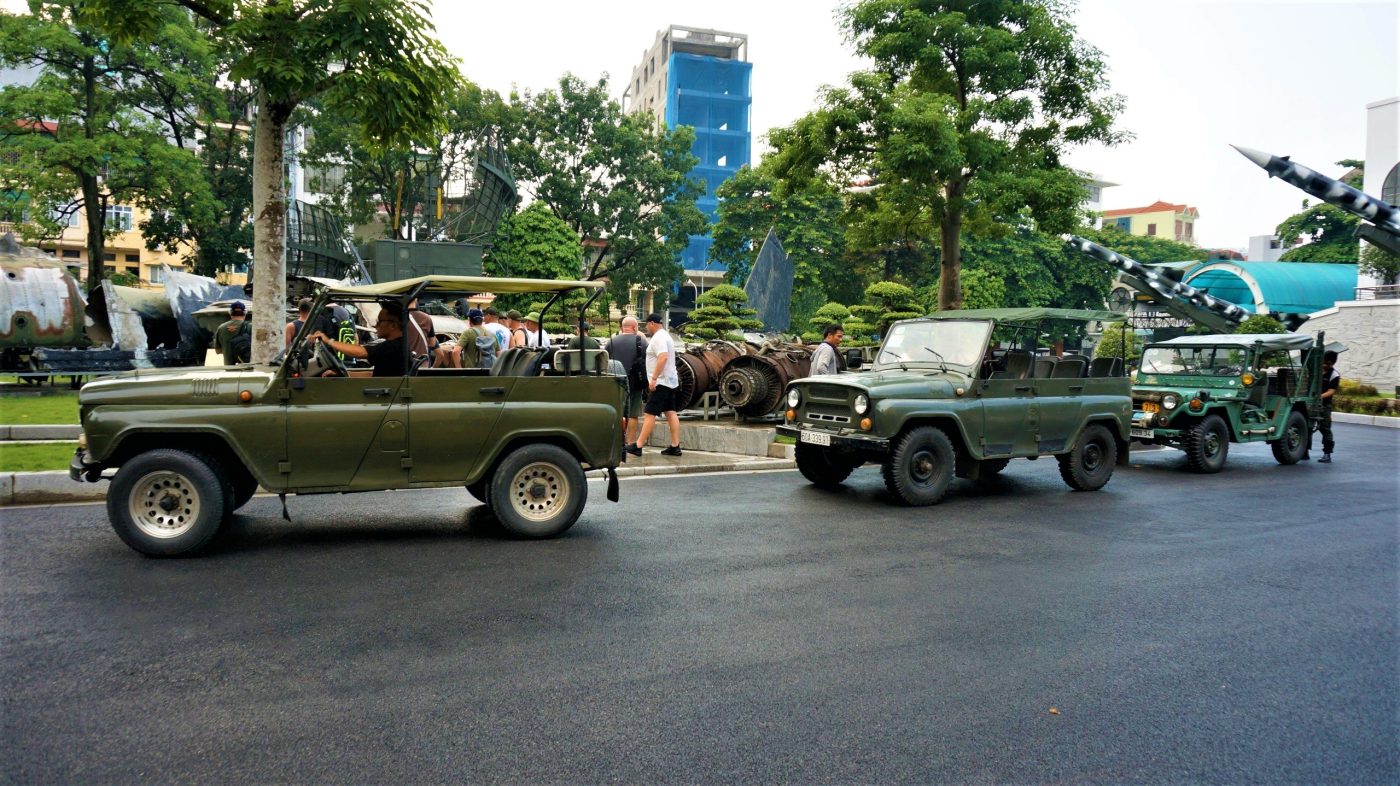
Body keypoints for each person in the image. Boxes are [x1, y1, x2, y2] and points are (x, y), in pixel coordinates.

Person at [629, 313, 682, 457]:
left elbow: (663, 357)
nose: (646, 327)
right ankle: (675, 445)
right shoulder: (666, 335)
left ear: (652, 323)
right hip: (670, 381)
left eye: (646, 324)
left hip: (661, 382)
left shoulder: (658, 337)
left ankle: (638, 446)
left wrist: (653, 378)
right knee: (670, 411)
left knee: (649, 413)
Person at [311, 301, 407, 377]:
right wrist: (345, 374)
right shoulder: (397, 345)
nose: (375, 325)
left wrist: (329, 341)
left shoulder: (393, 347)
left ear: (393, 325)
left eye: (380, 321)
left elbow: (360, 352)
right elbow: (372, 375)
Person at [606, 316, 649, 450]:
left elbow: (604, 359)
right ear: (635, 327)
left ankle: (617, 442)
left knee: (617, 412)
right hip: (635, 382)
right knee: (633, 413)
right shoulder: (641, 341)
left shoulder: (612, 341)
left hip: (615, 382)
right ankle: (630, 443)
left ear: (621, 327)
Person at [1314, 349, 1340, 463]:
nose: (1325, 365)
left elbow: (1331, 391)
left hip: (1324, 405)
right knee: (1307, 427)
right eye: (1324, 362)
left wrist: (1319, 397)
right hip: (1311, 403)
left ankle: (1327, 453)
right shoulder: (1316, 370)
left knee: (1325, 428)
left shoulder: (1334, 375)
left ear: (1333, 363)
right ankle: (1303, 452)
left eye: (1328, 364)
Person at [213, 300, 251, 366]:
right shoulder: (251, 327)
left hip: (229, 369)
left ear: (230, 312)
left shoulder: (221, 328)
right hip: (247, 368)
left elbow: (218, 351)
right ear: (245, 313)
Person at [405, 297, 437, 366]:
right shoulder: (426, 317)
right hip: (422, 362)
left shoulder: (399, 317)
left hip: (404, 363)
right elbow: (432, 343)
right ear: (416, 299)